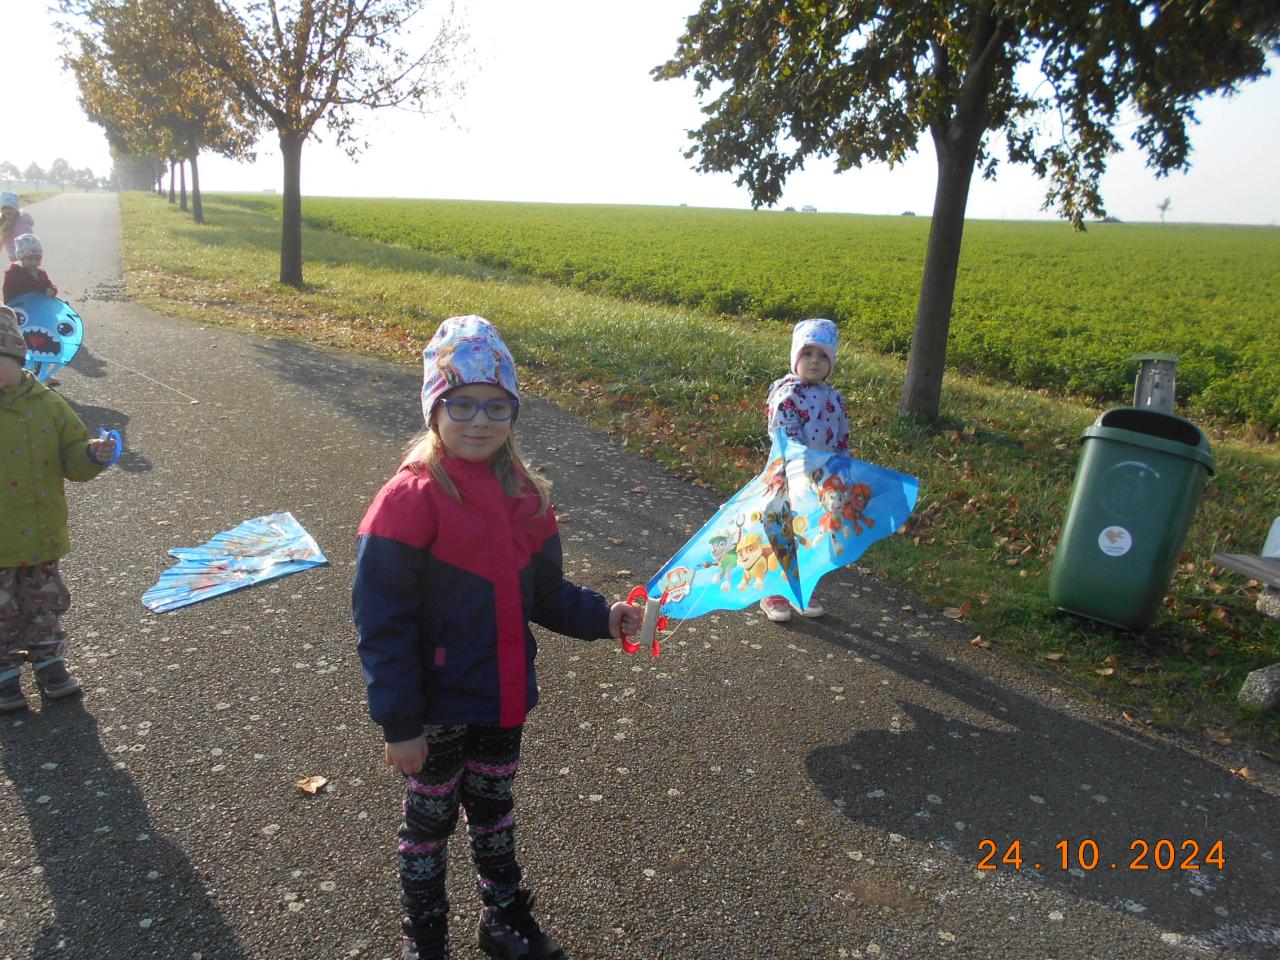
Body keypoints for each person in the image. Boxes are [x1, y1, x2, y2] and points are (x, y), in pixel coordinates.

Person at [352, 314, 642, 960]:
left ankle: (505, 920)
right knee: (428, 827)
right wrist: (400, 722)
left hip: (503, 699)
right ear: (434, 409)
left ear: (513, 413)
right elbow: (382, 624)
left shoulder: (528, 498)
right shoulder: (408, 500)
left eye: (496, 405)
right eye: (461, 404)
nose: (479, 421)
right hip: (435, 708)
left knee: (493, 813)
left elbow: (546, 594)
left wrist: (605, 617)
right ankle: (426, 938)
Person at [0, 306, 116, 712]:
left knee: (44, 601)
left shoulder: (49, 405)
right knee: (1, 610)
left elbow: (72, 456)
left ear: (17, 358)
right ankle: (4, 673)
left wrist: (92, 454)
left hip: (40, 532)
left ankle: (50, 662)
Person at [759, 317, 850, 622]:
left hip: (822, 478)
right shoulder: (787, 393)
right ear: (796, 357)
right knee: (780, 528)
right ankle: (773, 591)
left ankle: (802, 587)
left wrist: (841, 470)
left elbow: (842, 437)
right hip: (787, 476)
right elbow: (785, 435)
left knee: (811, 531)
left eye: (823, 356)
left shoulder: (834, 398)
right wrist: (801, 466)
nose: (814, 361)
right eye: (807, 353)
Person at [3, 234, 57, 303]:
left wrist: (52, 289)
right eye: (30, 259)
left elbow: (48, 284)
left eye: (37, 259)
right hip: (22, 305)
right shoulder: (13, 274)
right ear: (21, 259)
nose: (34, 262)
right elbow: (8, 294)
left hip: (40, 304)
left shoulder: (41, 273)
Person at [1, 192, 34, 263]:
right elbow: (2, 240)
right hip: (14, 256)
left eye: (11, 208)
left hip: (28, 255)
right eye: (4, 208)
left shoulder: (23, 220)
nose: (7, 210)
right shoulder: (3, 222)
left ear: (16, 208)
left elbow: (29, 238)